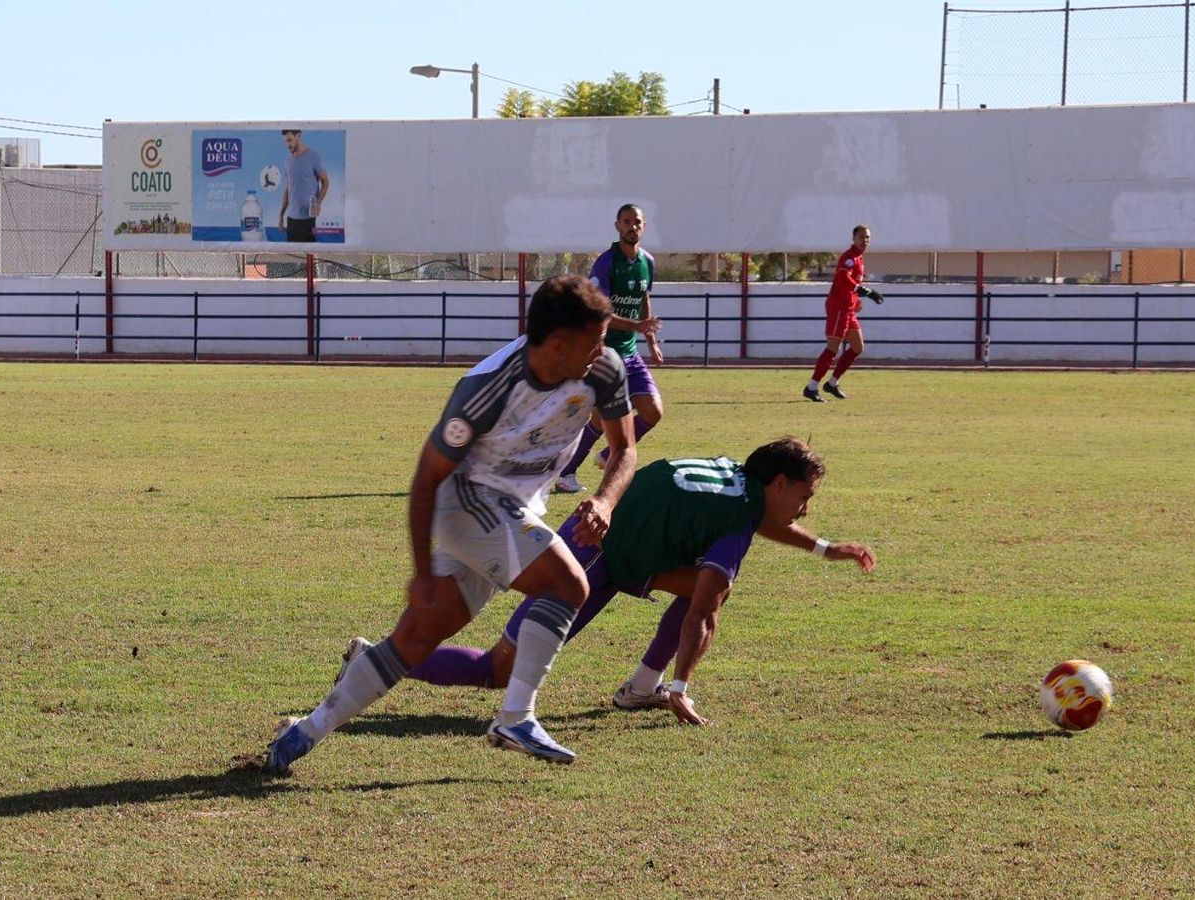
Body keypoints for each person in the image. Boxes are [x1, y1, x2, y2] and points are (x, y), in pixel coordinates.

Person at [265, 275, 638, 775]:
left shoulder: (603, 369)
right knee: (568, 584)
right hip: (466, 503)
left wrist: (606, 501)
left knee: (414, 641)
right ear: (557, 345)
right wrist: (422, 572)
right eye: (595, 341)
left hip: (516, 508)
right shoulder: (487, 389)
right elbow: (426, 479)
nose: (603, 350)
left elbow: (625, 448)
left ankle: (302, 733)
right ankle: (516, 717)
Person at [372, 437, 874, 727]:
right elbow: (704, 613)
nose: (806, 509)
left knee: (702, 585)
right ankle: (377, 659)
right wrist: (683, 687)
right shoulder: (738, 517)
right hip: (596, 554)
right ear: (779, 483)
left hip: (612, 538)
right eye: (805, 496)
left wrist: (824, 548)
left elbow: (762, 520)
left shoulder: (737, 480)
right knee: (497, 669)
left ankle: (640, 687)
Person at [556, 204, 662, 494]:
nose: (632, 227)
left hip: (630, 353)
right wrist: (637, 326)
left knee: (653, 411)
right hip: (602, 352)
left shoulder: (647, 261)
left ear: (644, 226)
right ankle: (565, 473)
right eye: (626, 222)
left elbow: (644, 299)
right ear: (617, 226)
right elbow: (599, 313)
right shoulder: (605, 263)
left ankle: (606, 455)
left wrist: (650, 340)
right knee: (601, 421)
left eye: (637, 222)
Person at [804, 225, 884, 402]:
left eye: (868, 237)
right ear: (853, 238)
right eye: (861, 237)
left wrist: (856, 299)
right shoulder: (849, 257)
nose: (865, 240)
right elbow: (843, 278)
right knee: (833, 348)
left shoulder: (859, 258)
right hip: (839, 308)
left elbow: (851, 284)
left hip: (848, 308)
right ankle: (811, 387)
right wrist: (863, 290)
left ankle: (831, 384)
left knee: (857, 347)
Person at [278, 129, 329, 243]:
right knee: (293, 253)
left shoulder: (313, 156)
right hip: (292, 220)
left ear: (298, 136)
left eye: (290, 140)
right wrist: (281, 214)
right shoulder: (288, 161)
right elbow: (288, 189)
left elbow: (325, 181)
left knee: (310, 252)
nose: (287, 145)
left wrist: (318, 203)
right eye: (285, 141)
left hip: (308, 220)